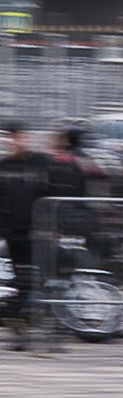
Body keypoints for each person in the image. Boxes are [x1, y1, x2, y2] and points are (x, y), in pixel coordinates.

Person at [0, 124, 48, 350]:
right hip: (14, 233)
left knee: (38, 280)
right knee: (22, 281)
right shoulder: (4, 166)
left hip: (39, 232)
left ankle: (33, 327)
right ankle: (21, 329)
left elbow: (51, 194)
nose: (17, 141)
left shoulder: (41, 163)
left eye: (22, 137)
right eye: (13, 137)